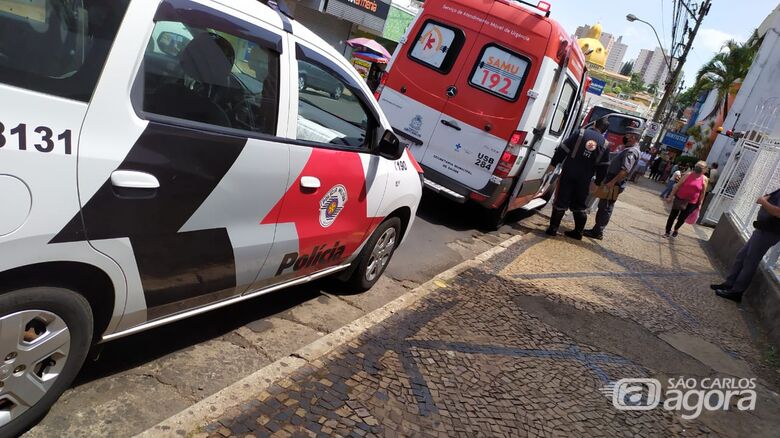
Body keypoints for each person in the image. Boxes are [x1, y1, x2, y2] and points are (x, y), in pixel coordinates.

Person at [545, 118, 611, 239]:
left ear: (595, 124)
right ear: (605, 130)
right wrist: (597, 182)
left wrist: (553, 164)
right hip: (585, 178)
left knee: (561, 200)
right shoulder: (605, 144)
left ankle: (553, 229)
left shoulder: (580, 133)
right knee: (580, 205)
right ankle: (578, 232)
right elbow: (604, 167)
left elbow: (563, 149)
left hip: (569, 173)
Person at [713, 188, 780, 301]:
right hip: (762, 229)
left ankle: (736, 292)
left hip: (768, 232)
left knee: (750, 261)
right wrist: (764, 199)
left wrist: (763, 201)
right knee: (742, 256)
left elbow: (778, 212)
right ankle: (729, 284)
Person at [582, 126, 643, 240]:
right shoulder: (628, 149)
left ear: (633, 137)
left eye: (627, 136)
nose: (625, 137)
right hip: (612, 180)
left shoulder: (631, 151)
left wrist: (611, 183)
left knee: (605, 207)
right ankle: (597, 230)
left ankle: (597, 232)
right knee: (603, 205)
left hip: (614, 182)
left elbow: (625, 171)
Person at [664, 161, 708, 237]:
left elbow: (702, 193)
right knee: (672, 216)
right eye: (697, 166)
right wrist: (670, 196)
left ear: (704, 169)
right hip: (680, 199)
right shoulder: (688, 175)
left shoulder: (704, 179)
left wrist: (700, 204)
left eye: (701, 167)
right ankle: (667, 231)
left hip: (692, 203)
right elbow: (677, 186)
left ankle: (676, 229)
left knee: (682, 218)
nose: (698, 168)